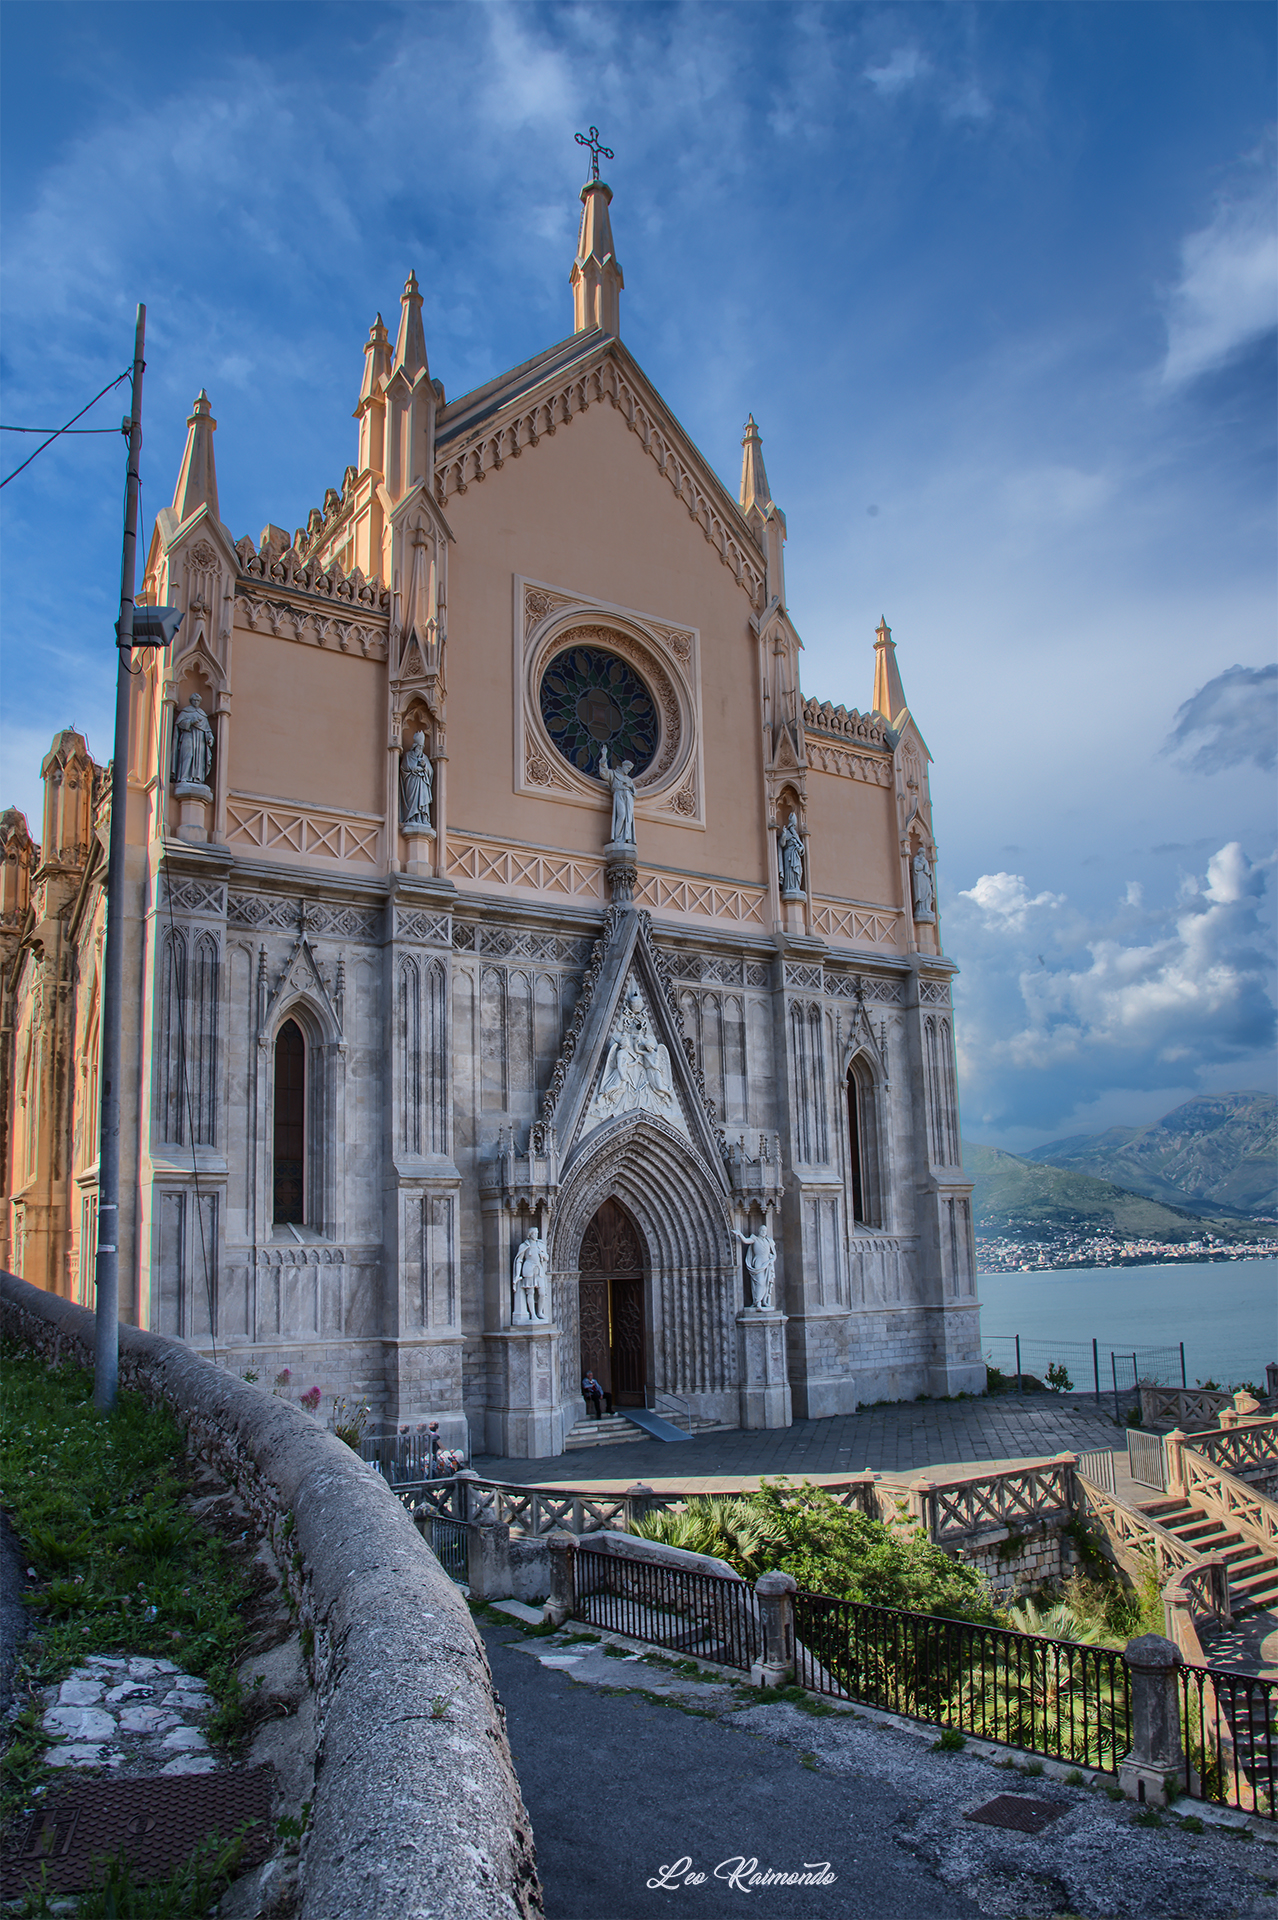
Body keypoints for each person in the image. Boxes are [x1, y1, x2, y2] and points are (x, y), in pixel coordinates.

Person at [597, 744, 636, 845]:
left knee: (628, 818)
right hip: (618, 794)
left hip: (628, 796)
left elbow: (634, 792)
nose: (628, 771)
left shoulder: (629, 779)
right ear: (623, 767)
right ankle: (618, 837)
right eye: (627, 769)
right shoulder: (614, 774)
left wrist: (630, 787)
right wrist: (604, 756)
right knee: (621, 815)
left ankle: (626, 837)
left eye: (629, 770)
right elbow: (604, 773)